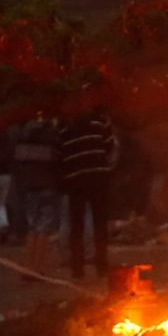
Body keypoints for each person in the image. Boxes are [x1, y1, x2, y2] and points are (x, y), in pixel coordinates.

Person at [52, 105, 119, 280]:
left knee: (77, 225)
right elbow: (110, 146)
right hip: (98, 176)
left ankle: (77, 267)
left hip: (75, 180)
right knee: (99, 224)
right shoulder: (99, 122)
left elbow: (58, 155)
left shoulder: (64, 129)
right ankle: (101, 266)